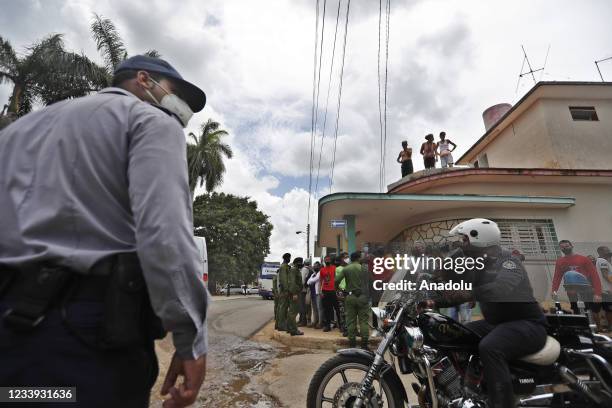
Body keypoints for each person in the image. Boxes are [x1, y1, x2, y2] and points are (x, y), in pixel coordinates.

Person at [0, 55, 208, 408]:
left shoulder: (17, 132)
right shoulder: (150, 121)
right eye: (178, 94)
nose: (183, 108)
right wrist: (191, 342)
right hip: (82, 337)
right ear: (144, 80)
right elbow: (163, 236)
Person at [433, 219, 548, 408]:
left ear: (482, 240)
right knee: (454, 334)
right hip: (496, 323)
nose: (461, 244)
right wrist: (429, 294)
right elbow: (449, 281)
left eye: (465, 240)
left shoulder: (509, 262)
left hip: (527, 324)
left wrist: (468, 292)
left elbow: (500, 288)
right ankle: (462, 392)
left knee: (490, 347)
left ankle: (501, 403)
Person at [551, 240, 602, 328]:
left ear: (571, 246)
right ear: (560, 249)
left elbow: (595, 276)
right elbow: (557, 277)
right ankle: (582, 329)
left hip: (586, 290)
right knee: (576, 310)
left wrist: (598, 293)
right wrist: (554, 290)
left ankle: (596, 328)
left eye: (567, 246)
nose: (565, 248)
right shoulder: (560, 262)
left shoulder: (584, 259)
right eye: (562, 247)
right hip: (571, 292)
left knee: (589, 310)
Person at [335, 251, 371, 349]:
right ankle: (364, 345)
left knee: (351, 321)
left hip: (350, 297)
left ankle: (352, 344)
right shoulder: (364, 269)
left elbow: (336, 280)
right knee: (363, 321)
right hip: (363, 297)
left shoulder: (346, 269)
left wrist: (338, 289)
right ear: (358, 258)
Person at [319, 255, 343, 332]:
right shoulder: (322, 270)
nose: (327, 261)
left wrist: (338, 290)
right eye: (326, 259)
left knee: (337, 309)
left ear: (330, 260)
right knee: (327, 310)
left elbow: (338, 279)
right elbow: (320, 281)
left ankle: (341, 325)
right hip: (325, 291)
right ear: (324, 261)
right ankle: (327, 326)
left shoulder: (334, 268)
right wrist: (320, 291)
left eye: (328, 259)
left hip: (333, 291)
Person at [286, 258, 305, 336]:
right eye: (300, 262)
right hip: (295, 293)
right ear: (296, 263)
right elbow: (292, 282)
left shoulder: (296, 270)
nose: (301, 264)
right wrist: (294, 293)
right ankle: (294, 330)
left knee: (291, 312)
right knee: (293, 312)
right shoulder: (294, 270)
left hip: (296, 292)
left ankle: (290, 328)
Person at [595, 246, 612, 329]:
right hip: (607, 290)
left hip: (604, 290)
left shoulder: (601, 261)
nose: (609, 251)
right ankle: (610, 326)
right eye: (607, 250)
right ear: (600, 252)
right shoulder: (602, 261)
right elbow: (605, 275)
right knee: (609, 309)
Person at [276, 253, 292, 332]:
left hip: (284, 290)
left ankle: (280, 324)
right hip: (284, 291)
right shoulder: (283, 267)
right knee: (283, 308)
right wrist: (287, 290)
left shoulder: (285, 266)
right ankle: (281, 325)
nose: (290, 259)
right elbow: (284, 280)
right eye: (289, 258)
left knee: (283, 308)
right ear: (286, 258)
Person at [307, 262, 323, 329]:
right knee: (314, 308)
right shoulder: (313, 274)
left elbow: (315, 280)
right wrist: (311, 280)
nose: (315, 267)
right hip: (313, 293)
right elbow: (308, 282)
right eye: (314, 266)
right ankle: (315, 321)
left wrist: (311, 280)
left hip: (318, 293)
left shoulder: (320, 273)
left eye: (316, 266)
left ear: (319, 267)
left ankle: (320, 323)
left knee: (320, 308)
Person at [298, 260, 311, 327]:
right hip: (307, 290)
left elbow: (302, 280)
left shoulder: (304, 269)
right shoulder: (309, 269)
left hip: (302, 290)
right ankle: (303, 320)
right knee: (305, 306)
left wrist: (299, 288)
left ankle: (302, 321)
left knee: (301, 306)